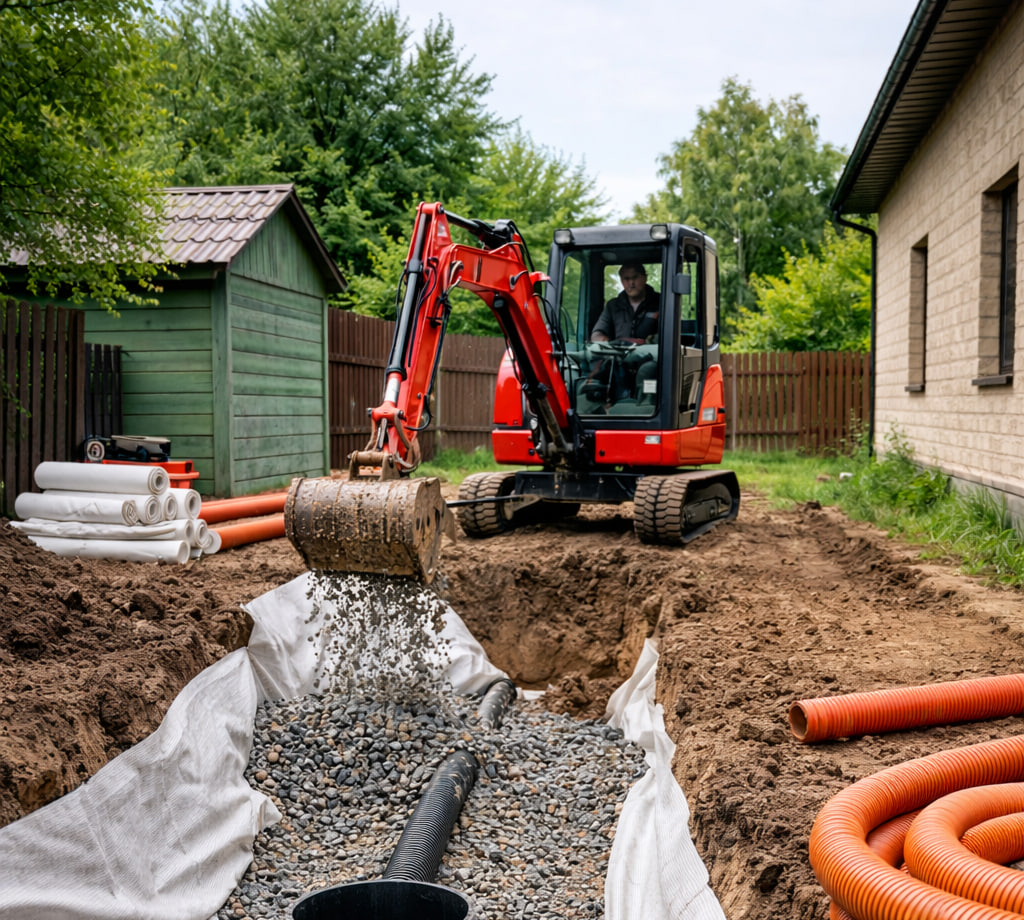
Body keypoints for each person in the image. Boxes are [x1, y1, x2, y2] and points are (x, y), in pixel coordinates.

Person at [587, 262, 659, 402]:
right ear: (621, 280)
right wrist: (611, 345)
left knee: (647, 370)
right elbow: (597, 334)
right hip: (619, 361)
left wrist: (649, 341)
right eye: (626, 279)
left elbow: (670, 335)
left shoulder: (661, 302)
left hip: (651, 361)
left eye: (635, 277)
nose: (631, 283)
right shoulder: (613, 306)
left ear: (644, 278)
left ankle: (645, 406)